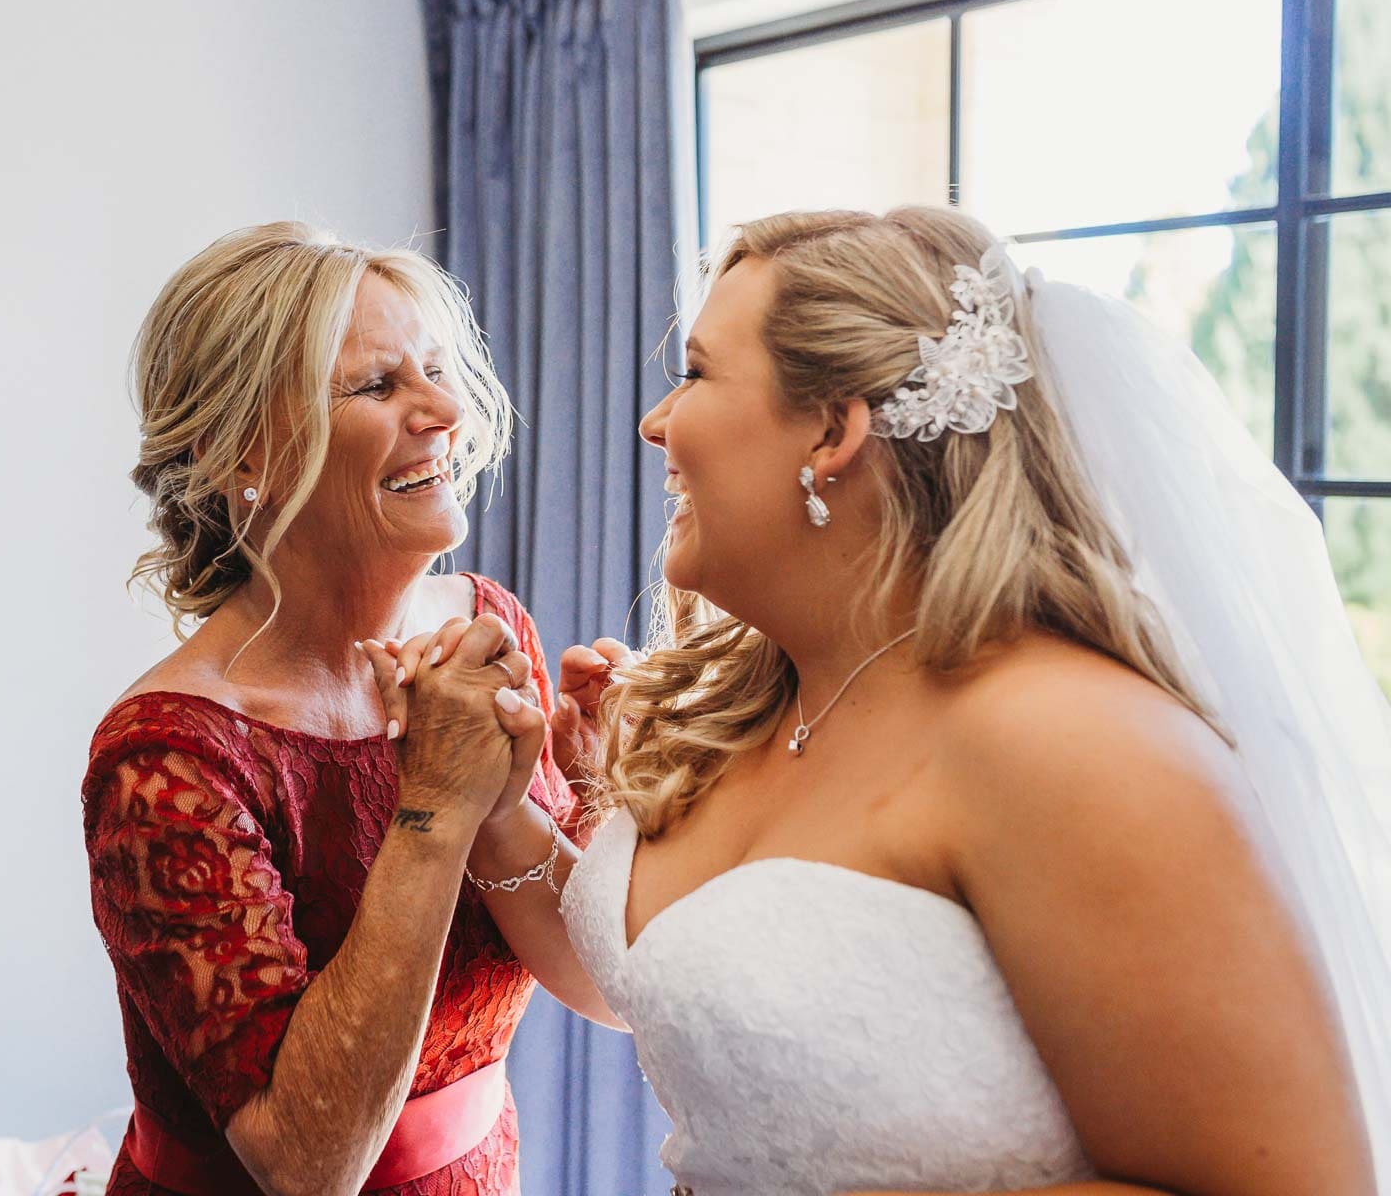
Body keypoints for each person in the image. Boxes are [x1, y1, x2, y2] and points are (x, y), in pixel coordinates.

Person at [368, 206, 1390, 1195]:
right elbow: (660, 985)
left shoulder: (1069, 740)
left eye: (697, 374)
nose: (656, 422)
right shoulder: (752, 700)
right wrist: (499, 808)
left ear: (832, 431)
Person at [80, 221, 582, 1196]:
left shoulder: (488, 628)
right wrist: (434, 807)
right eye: (379, 386)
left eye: (436, 370)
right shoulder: (168, 756)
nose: (445, 411)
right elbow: (306, 1167)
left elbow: (599, 985)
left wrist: (525, 802)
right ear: (245, 456)